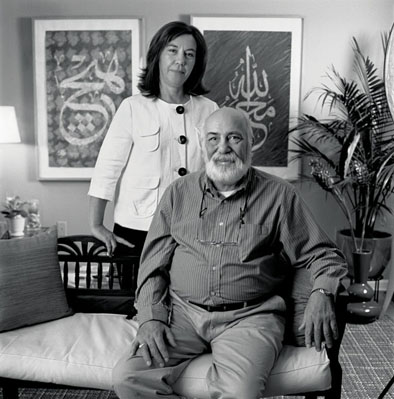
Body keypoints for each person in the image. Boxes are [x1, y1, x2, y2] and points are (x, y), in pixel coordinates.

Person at [112, 107, 348, 399]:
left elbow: (323, 254)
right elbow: (152, 266)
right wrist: (150, 318)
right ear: (203, 144)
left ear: (251, 143)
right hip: (182, 313)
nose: (222, 148)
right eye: (213, 139)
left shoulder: (279, 195)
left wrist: (322, 293)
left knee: (239, 392)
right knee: (129, 377)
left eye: (234, 138)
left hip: (250, 317)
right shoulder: (178, 194)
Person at [88, 21, 218, 257]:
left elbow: (218, 171)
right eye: (173, 50)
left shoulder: (209, 110)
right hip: (135, 230)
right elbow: (107, 169)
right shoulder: (132, 107)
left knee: (186, 294)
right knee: (135, 295)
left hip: (193, 229)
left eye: (189, 54)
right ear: (157, 55)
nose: (181, 60)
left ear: (196, 63)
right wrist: (96, 224)